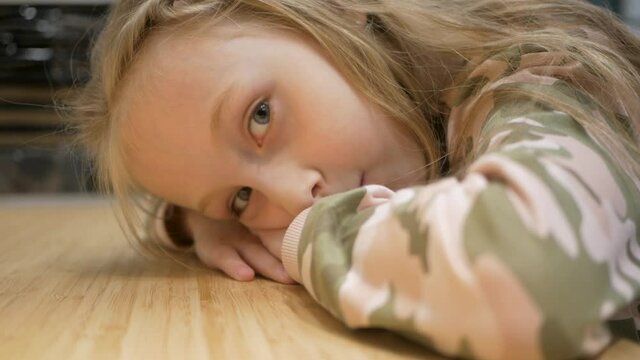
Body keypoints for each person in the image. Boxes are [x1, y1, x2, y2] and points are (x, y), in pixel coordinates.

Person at [69, 0, 640, 358]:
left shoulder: (542, 68)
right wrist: (198, 218)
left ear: (335, 12)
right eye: (242, 198)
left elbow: (533, 276)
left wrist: (304, 237)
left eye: (261, 116)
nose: (293, 196)